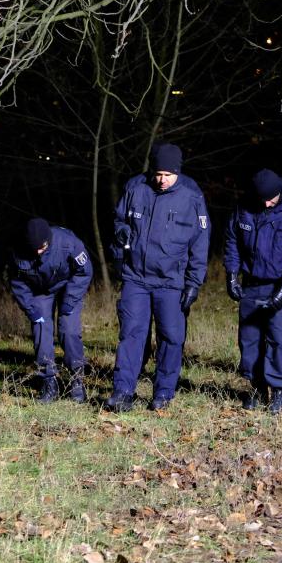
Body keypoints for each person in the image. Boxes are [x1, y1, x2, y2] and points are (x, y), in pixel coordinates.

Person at [107, 142, 210, 412]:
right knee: (131, 334)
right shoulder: (135, 188)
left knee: (171, 337)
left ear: (177, 172)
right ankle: (123, 392)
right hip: (136, 278)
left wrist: (194, 282)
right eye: (158, 174)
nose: (162, 180)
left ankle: (163, 393)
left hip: (171, 282)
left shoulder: (192, 196)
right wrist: (120, 235)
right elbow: (119, 221)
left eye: (168, 175)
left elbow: (201, 242)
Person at [223, 168, 282, 414]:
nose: (266, 203)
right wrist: (231, 275)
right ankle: (256, 389)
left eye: (270, 199)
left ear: (279, 192)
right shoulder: (245, 206)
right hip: (251, 283)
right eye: (262, 199)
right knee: (250, 339)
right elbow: (232, 240)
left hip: (279, 283)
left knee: (279, 339)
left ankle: (279, 393)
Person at [10, 218, 93, 403]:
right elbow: (17, 282)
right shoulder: (18, 250)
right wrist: (31, 309)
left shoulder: (68, 242)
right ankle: (48, 381)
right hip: (40, 290)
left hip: (68, 285)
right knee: (41, 328)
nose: (39, 251)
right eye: (35, 248)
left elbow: (84, 272)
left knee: (69, 330)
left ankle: (76, 380)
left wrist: (70, 301)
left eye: (43, 247)